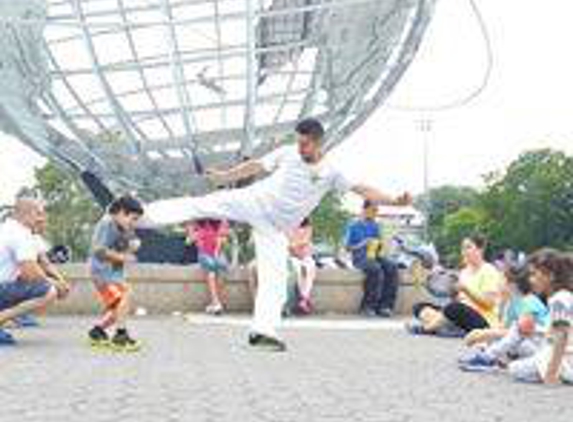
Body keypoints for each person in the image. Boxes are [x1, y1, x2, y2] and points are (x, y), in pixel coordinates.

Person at [143, 118, 411, 351]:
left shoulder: (332, 172)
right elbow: (256, 167)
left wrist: (394, 201)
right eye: (298, 142)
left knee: (275, 280)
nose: (300, 148)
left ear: (318, 143)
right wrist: (225, 177)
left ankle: (263, 332)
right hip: (254, 202)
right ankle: (140, 216)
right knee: (203, 204)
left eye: (305, 144)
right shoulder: (288, 153)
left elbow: (363, 190)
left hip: (274, 228)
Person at [0, 198, 70, 346]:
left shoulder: (7, 228)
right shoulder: (21, 234)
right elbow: (30, 272)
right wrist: (57, 284)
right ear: (25, 214)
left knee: (37, 283)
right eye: (38, 214)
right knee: (48, 291)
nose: (42, 218)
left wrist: (59, 280)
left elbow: (40, 264)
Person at [459, 262, 550, 371]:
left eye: (502, 280)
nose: (498, 283)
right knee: (495, 336)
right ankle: (493, 358)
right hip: (527, 344)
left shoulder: (529, 302)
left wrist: (483, 334)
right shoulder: (512, 302)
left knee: (511, 332)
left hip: (540, 346)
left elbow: (522, 331)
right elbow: (503, 328)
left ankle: (489, 358)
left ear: (513, 284)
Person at [409, 235, 504, 335]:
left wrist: (466, 290)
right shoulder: (464, 271)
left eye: (468, 247)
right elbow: (459, 299)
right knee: (419, 307)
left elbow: (489, 303)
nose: (464, 252)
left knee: (453, 308)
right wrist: (453, 292)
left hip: (483, 319)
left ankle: (428, 328)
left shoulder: (489, 271)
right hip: (461, 312)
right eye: (462, 248)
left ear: (480, 249)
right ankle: (447, 326)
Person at [508, 249, 573, 385]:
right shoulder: (562, 296)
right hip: (561, 355)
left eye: (534, 274)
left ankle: (560, 373)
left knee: (515, 369)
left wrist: (551, 373)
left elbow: (562, 335)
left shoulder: (559, 299)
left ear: (550, 276)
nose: (531, 280)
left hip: (565, 359)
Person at [87, 195, 144, 351]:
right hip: (103, 272)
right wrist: (123, 257)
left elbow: (120, 245)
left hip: (111, 273)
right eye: (132, 219)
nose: (133, 223)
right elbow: (98, 250)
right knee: (124, 297)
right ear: (120, 212)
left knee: (120, 306)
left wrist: (130, 245)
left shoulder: (119, 226)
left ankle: (97, 331)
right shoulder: (107, 223)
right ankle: (120, 335)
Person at [344, 200, 399, 317]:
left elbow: (379, 244)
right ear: (365, 210)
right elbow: (348, 247)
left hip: (374, 255)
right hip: (360, 257)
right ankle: (368, 306)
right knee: (375, 269)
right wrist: (363, 243)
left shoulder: (375, 225)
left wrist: (380, 244)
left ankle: (385, 306)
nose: (375, 213)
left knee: (392, 267)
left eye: (376, 211)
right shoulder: (353, 226)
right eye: (373, 210)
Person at [186, 219, 229, 315]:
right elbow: (190, 239)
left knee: (222, 267)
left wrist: (217, 249)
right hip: (204, 252)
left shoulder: (221, 220)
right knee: (211, 269)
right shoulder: (195, 221)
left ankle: (216, 303)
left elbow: (224, 238)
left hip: (217, 251)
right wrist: (196, 235)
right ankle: (216, 302)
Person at [287, 217, 316, 315]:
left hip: (305, 255)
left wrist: (294, 245)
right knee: (297, 269)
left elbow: (306, 241)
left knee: (311, 267)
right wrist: (296, 246)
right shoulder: (287, 224)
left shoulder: (307, 226)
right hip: (292, 256)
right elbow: (287, 244)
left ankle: (304, 297)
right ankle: (302, 299)